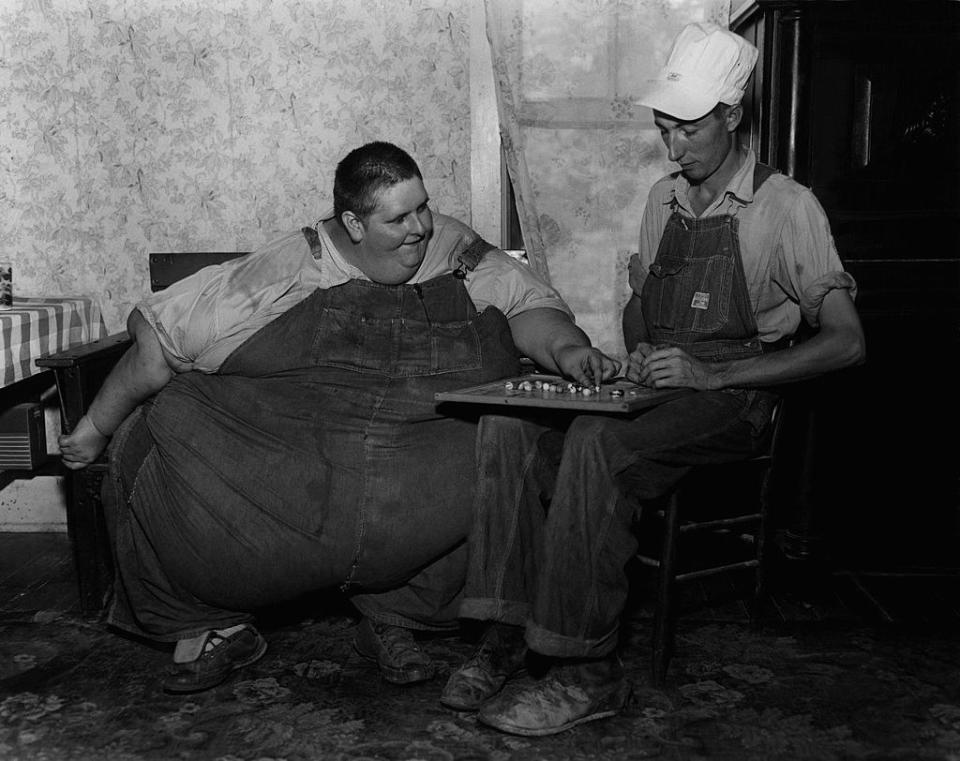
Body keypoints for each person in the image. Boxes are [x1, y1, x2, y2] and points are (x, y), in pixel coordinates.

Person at [58, 141, 620, 694]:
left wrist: (568, 351)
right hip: (299, 469)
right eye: (399, 218)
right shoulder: (284, 269)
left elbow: (531, 306)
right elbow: (154, 348)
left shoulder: (455, 251)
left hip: (417, 477)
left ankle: (393, 620)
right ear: (353, 224)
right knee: (153, 435)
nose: (421, 227)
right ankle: (218, 628)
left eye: (423, 206)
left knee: (514, 439)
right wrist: (93, 429)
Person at [441, 22, 866, 736]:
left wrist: (713, 373)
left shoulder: (786, 207)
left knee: (596, 448)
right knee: (511, 426)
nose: (674, 147)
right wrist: (636, 354)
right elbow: (646, 315)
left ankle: (586, 671)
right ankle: (509, 631)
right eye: (665, 128)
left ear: (732, 116)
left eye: (689, 129)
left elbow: (847, 343)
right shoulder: (661, 201)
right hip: (666, 384)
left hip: (738, 398)